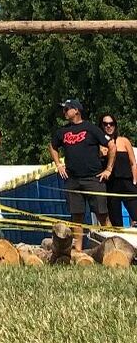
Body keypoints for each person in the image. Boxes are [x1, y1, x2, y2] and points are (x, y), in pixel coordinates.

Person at [50, 99, 113, 250]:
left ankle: (113, 248)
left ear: (76, 110)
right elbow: (52, 146)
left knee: (102, 215)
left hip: (94, 178)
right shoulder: (62, 132)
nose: (64, 112)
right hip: (73, 180)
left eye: (66, 110)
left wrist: (108, 169)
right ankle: (77, 251)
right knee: (76, 217)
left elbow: (111, 145)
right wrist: (58, 164)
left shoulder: (91, 128)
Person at [100, 115, 136, 228]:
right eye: (105, 124)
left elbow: (133, 163)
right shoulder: (99, 145)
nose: (109, 126)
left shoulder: (124, 141)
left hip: (127, 183)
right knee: (116, 221)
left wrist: (135, 180)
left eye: (111, 123)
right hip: (110, 185)